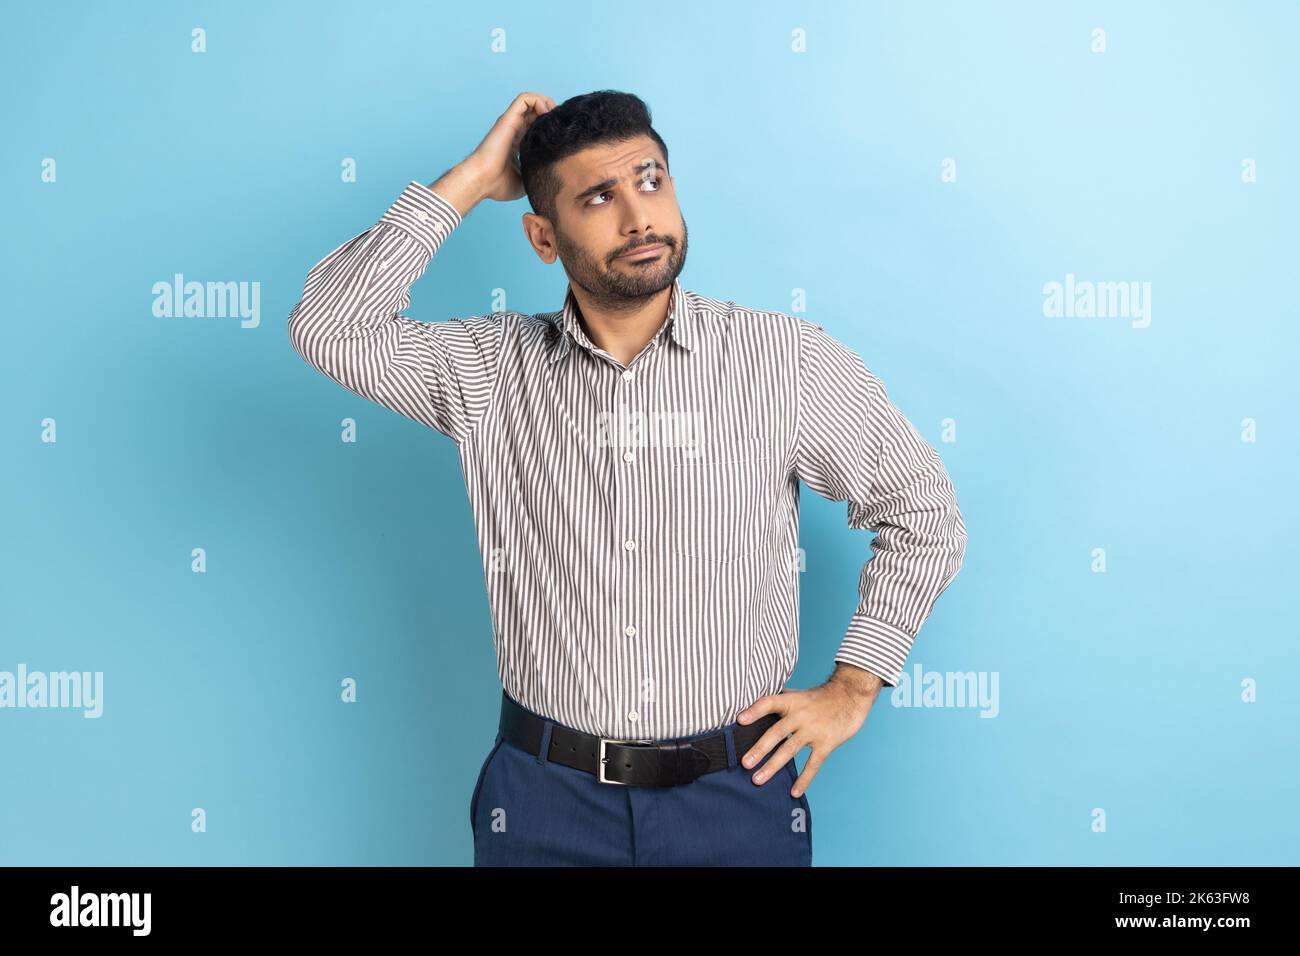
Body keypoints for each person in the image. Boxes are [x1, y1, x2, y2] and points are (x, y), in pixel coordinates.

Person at [287, 90, 968, 866]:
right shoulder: (488, 370)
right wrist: (475, 178)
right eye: (599, 197)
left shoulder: (787, 362)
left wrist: (854, 686)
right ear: (543, 237)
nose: (638, 216)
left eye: (650, 181)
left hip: (736, 795)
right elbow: (329, 326)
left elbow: (923, 511)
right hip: (543, 801)